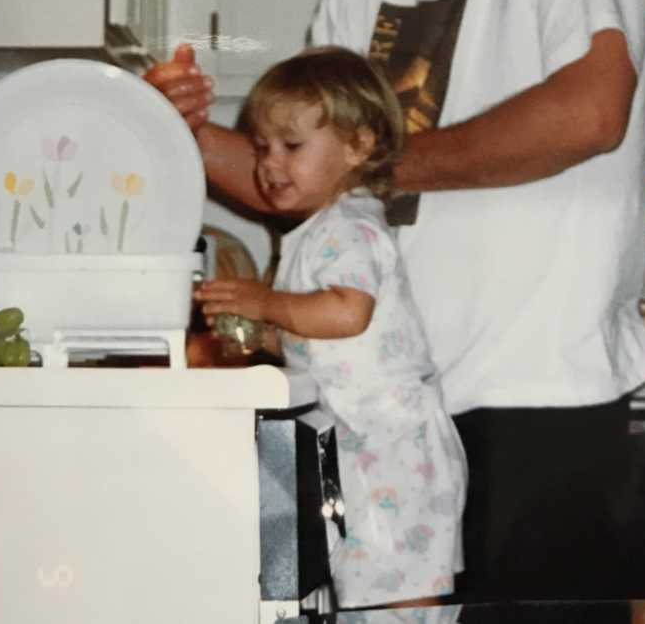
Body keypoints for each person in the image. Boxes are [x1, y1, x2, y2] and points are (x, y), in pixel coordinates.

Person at [146, 0, 645, 599]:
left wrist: (376, 165)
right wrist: (172, 130)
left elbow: (590, 111)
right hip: (341, 405)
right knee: (290, 601)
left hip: (530, 408)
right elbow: (286, 184)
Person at [195, 46, 467, 609]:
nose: (270, 164)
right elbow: (323, 334)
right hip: (366, 449)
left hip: (393, 451)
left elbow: (348, 313)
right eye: (263, 147)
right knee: (373, 595)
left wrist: (267, 302)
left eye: (292, 147)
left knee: (400, 600)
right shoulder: (317, 233)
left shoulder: (348, 224)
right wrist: (260, 334)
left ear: (358, 145)